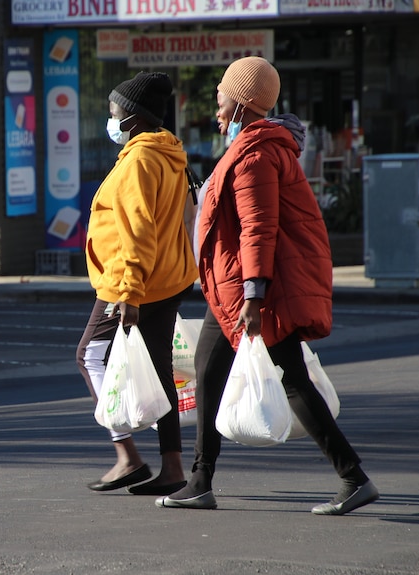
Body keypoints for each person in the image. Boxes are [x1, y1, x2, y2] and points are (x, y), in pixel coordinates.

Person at [157, 56, 379, 515]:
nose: (215, 109)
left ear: (240, 103)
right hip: (233, 290)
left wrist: (255, 295)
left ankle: (353, 477)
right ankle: (201, 479)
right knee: (208, 369)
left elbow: (259, 227)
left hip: (253, 292)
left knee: (292, 378)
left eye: (220, 99)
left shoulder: (256, 153)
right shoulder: (249, 148)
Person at [76, 72, 199, 496]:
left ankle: (127, 456)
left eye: (113, 111)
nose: (109, 118)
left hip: (133, 283)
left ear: (131, 118)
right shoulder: (169, 153)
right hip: (169, 277)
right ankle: (172, 467)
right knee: (161, 369)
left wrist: (128, 294)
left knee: (90, 355)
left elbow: (137, 231)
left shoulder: (139, 161)